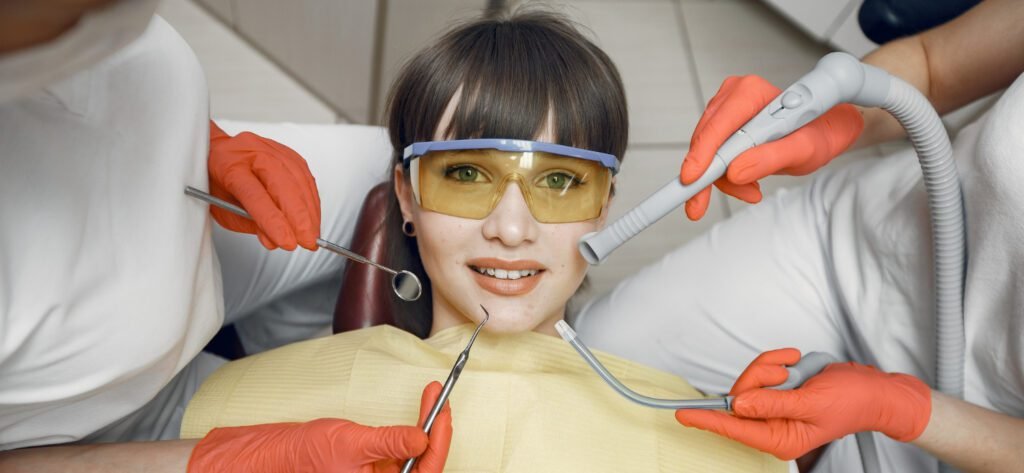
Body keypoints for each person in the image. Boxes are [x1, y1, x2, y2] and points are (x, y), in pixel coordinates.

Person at [173, 10, 788, 472]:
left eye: (558, 181)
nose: (512, 230)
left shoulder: (702, 433)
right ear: (406, 198)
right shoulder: (259, 417)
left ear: (606, 207)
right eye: (466, 175)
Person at [575, 0, 1024, 471]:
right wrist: (834, 119)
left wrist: (897, 408)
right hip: (853, 244)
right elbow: (934, 65)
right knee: (595, 354)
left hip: (965, 429)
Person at [0, 1, 448, 470]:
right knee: (361, 433)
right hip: (111, 410)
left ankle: (259, 344)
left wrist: (203, 143)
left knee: (384, 161)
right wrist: (220, 462)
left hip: (199, 222)